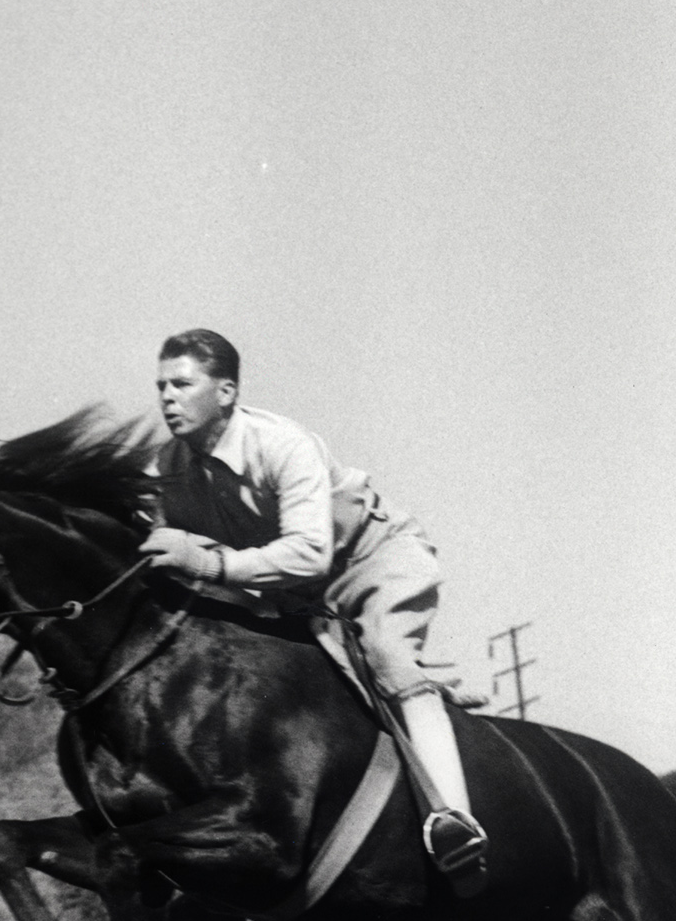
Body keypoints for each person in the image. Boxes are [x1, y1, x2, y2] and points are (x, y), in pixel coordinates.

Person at [139, 328, 489, 887]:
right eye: (160, 385)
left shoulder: (282, 444)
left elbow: (307, 553)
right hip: (292, 594)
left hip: (370, 562)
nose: (166, 398)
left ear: (226, 392)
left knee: (387, 654)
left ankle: (454, 821)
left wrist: (209, 565)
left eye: (182, 384)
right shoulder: (168, 466)